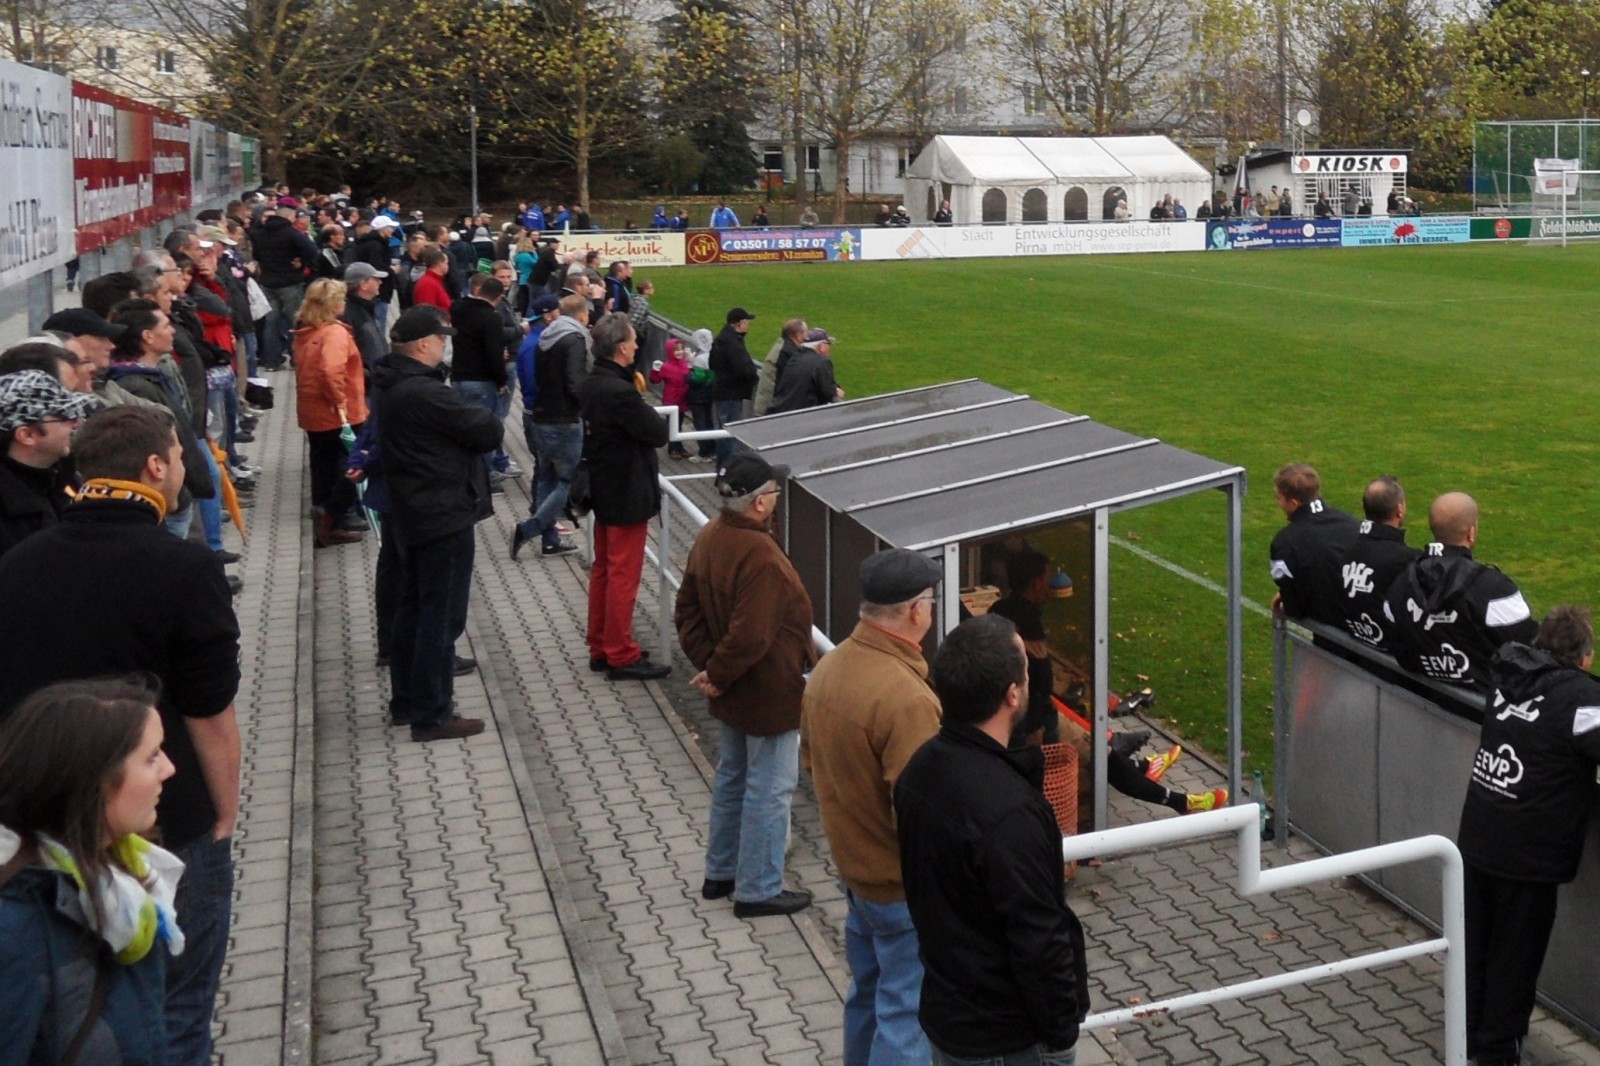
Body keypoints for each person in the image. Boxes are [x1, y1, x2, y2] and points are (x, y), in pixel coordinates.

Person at [0, 405, 241, 1063]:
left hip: (47, 819)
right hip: (168, 813)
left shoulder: (18, 563)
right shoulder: (186, 568)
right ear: (156, 468)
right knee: (179, 1009)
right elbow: (210, 711)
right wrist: (223, 814)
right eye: (180, 454)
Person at [895, 614, 1089, 1066]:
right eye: (1024, 669)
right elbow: (1039, 938)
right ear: (1012, 693)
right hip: (1006, 1042)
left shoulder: (921, 768)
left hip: (953, 1021)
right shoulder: (1011, 813)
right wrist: (1061, 1036)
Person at [802, 548, 943, 1064]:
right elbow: (923, 814)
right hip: (900, 889)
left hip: (857, 874)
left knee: (867, 996)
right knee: (907, 1016)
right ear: (914, 610)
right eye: (930, 600)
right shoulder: (906, 698)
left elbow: (813, 764)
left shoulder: (830, 667)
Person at [0, 677, 184, 1064]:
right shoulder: (14, 931)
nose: (169, 768)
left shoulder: (119, 880)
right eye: (151, 757)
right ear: (94, 784)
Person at [1457, 606, 1600, 1066]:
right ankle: (1497, 1052)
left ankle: (1469, 1036)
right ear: (1584, 658)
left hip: (1479, 838)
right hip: (1527, 855)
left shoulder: (1506, 671)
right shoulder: (1580, 700)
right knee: (1513, 962)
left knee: (1476, 945)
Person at [676, 452, 815, 917]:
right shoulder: (761, 557)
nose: (778, 499)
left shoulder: (711, 535)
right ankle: (757, 888)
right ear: (759, 505)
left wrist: (712, 670)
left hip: (733, 688)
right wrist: (716, 673)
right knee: (769, 789)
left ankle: (721, 872)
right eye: (775, 492)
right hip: (768, 692)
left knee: (733, 778)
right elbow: (752, 634)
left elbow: (687, 611)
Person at [373, 306, 504, 741]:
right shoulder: (424, 393)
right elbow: (485, 428)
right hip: (440, 513)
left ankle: (408, 701)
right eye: (441, 339)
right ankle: (433, 712)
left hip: (415, 510)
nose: (445, 344)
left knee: (413, 609)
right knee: (441, 616)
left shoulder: (397, 385)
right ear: (424, 345)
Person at [580, 313, 672, 681]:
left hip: (605, 487)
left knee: (604, 569)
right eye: (634, 341)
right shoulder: (618, 391)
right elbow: (656, 432)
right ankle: (620, 652)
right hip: (625, 490)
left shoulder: (593, 383)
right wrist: (642, 398)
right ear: (621, 348)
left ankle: (601, 645)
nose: (637, 345)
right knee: (622, 574)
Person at [1383, 492, 1537, 692]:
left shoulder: (1402, 582)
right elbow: (1532, 651)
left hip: (1420, 702)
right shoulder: (1495, 589)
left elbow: (1394, 638)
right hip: (1480, 714)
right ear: (1471, 533)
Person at [510, 293, 589, 560]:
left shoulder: (541, 339)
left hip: (541, 417)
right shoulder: (566, 341)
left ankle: (550, 541)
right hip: (558, 420)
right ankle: (529, 528)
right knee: (565, 481)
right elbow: (573, 384)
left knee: (546, 478)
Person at [294, 278, 367, 547]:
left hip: (313, 412)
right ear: (333, 304)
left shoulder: (306, 331)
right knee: (353, 463)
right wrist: (340, 400)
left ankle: (323, 512)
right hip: (339, 413)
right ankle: (332, 515)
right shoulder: (335, 334)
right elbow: (329, 369)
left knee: (322, 465)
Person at [0, 370, 94, 560]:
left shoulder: (64, 478)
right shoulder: (8, 511)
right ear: (27, 435)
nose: (76, 423)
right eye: (64, 416)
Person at [1268, 462, 1359, 628]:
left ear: (1293, 503)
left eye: (1279, 497)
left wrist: (1285, 597)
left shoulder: (1285, 543)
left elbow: (1295, 608)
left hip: (1333, 632)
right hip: (1369, 626)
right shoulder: (1351, 521)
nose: (1278, 503)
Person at [1336, 476, 1421, 653]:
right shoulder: (1408, 560)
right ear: (1400, 509)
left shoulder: (1348, 548)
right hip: (1391, 664)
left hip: (1356, 650)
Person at [710, 307, 758, 466]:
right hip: (730, 395)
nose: (748, 325)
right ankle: (729, 474)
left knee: (725, 434)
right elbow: (742, 369)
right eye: (746, 322)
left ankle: (723, 473)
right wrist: (753, 375)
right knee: (730, 437)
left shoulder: (722, 339)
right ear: (739, 324)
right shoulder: (733, 343)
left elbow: (712, 364)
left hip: (724, 392)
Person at [770, 327, 843, 413]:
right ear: (821, 346)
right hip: (801, 415)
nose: (829, 348)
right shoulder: (821, 362)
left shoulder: (795, 357)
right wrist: (836, 391)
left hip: (781, 411)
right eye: (828, 344)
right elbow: (828, 393)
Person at [650, 336, 693, 460]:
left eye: (681, 349)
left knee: (678, 425)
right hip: (671, 401)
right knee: (672, 425)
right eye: (676, 350)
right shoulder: (667, 367)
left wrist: (692, 364)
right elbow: (655, 380)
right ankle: (673, 448)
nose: (680, 352)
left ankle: (679, 446)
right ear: (670, 352)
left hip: (682, 400)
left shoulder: (685, 364)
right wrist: (655, 370)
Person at [755, 317, 807, 417]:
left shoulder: (782, 346)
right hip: (772, 409)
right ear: (798, 335)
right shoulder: (788, 353)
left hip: (768, 405)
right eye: (805, 332)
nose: (807, 336)